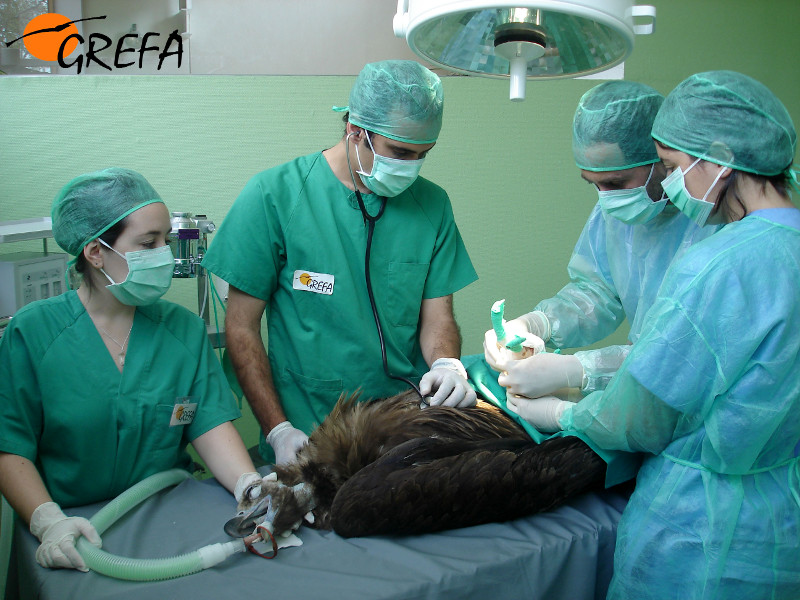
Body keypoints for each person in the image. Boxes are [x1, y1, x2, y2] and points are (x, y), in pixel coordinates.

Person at [509, 71, 800, 598]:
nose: (669, 182)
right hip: (782, 516)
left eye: (669, 167)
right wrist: (540, 323)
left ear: (715, 159)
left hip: (700, 533)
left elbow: (643, 413)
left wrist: (565, 407)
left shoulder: (720, 259)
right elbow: (603, 296)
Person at [202, 60, 478, 466]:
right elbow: (241, 327)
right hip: (311, 433)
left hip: (405, 430)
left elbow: (438, 318)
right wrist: (278, 430)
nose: (410, 167)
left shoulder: (432, 205)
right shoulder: (275, 196)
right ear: (355, 130)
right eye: (400, 151)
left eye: (423, 155)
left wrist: (447, 364)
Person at [0, 168, 264, 572]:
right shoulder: (33, 333)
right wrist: (46, 521)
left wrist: (250, 484)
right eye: (148, 242)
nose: (165, 253)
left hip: (169, 514)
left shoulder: (183, 331)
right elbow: (9, 446)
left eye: (166, 240)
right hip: (70, 527)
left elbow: (207, 424)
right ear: (95, 252)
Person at [484, 80, 720, 403]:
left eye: (615, 182)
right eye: (594, 184)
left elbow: (683, 350)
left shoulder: (715, 226)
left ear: (662, 161)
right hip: (650, 403)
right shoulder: (614, 213)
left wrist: (579, 371)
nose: (606, 199)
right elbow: (597, 292)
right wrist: (539, 323)